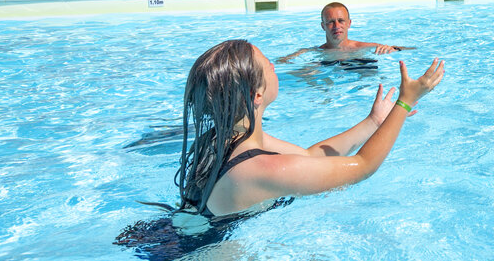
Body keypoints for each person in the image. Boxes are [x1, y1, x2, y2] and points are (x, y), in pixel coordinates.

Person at [175, 39, 444, 218]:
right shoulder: (260, 169)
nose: (273, 65)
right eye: (267, 63)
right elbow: (363, 166)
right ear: (256, 95)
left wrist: (373, 122)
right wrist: (406, 102)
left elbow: (309, 157)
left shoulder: (224, 138)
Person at [278, 2, 403, 63]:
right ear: (323, 26)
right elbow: (281, 62)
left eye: (341, 21)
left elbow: (404, 49)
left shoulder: (366, 47)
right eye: (331, 22)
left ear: (349, 23)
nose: (336, 26)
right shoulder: (311, 52)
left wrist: (393, 49)